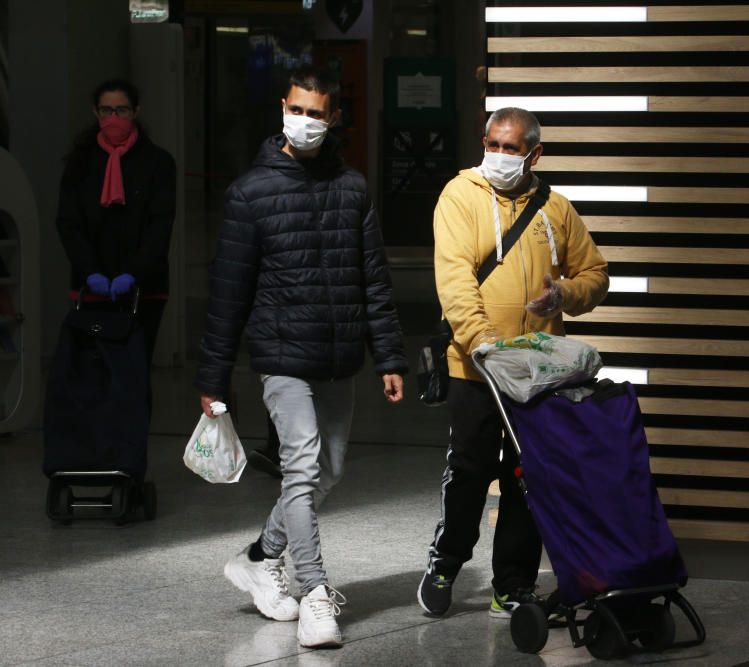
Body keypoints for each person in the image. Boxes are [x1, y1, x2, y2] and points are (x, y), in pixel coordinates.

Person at [195, 65, 408, 649]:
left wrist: (389, 356)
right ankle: (315, 593)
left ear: (333, 118)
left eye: (317, 113)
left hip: (339, 357)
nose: (306, 121)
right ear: (281, 109)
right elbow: (228, 294)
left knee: (329, 471)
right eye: (298, 109)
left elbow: (374, 279)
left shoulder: (353, 188)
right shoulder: (250, 194)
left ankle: (260, 557)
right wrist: (213, 377)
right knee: (304, 466)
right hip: (282, 354)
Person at [417, 107, 609, 618]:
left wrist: (564, 294)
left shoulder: (556, 209)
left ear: (534, 153)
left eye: (511, 147)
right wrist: (483, 343)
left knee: (528, 476)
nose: (499, 156)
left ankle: (514, 583)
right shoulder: (460, 197)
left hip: (537, 372)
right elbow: (454, 279)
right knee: (470, 471)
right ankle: (446, 562)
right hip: (476, 365)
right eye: (493, 145)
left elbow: (595, 274)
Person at [56, 78, 175, 373]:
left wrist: (134, 273)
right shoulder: (80, 163)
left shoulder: (157, 163)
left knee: (134, 372)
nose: (113, 118)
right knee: (92, 374)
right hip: (90, 287)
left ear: (135, 112)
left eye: (121, 110)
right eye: (106, 110)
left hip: (144, 289)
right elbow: (69, 223)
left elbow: (159, 226)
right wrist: (90, 271)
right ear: (95, 113)